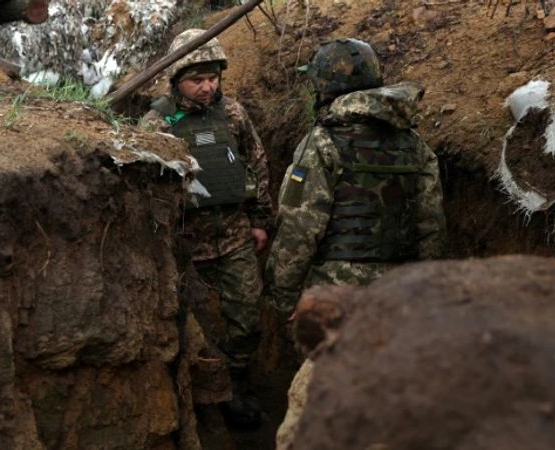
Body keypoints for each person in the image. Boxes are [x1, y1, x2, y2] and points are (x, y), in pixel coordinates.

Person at [266, 38, 446, 449]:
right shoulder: (415, 145)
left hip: (334, 297)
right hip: (399, 295)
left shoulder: (323, 143)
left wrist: (283, 297)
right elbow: (432, 228)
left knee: (326, 398)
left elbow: (298, 228)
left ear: (324, 88)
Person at [139, 29, 274, 429]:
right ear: (178, 79)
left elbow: (257, 163)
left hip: (234, 235)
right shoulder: (158, 121)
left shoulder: (232, 113)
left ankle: (237, 386)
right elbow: (146, 185)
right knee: (198, 326)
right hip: (186, 244)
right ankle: (207, 397)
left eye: (213, 78)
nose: (207, 87)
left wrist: (261, 220)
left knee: (246, 318)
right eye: (197, 79)